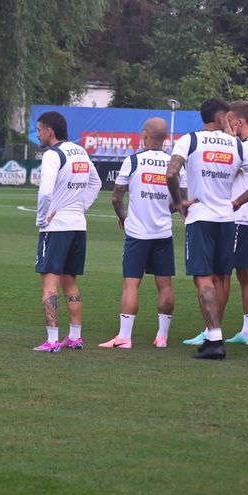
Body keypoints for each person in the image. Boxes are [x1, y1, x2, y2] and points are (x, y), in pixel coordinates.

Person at [166, 98, 248, 360]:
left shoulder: (189, 140)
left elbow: (170, 173)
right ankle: (215, 334)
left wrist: (179, 202)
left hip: (200, 217)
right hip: (227, 218)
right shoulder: (236, 143)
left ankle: (214, 339)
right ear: (222, 117)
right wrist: (237, 202)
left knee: (203, 277)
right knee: (223, 277)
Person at [30, 111, 101, 352]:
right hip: (78, 226)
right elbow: (96, 183)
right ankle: (75, 337)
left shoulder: (53, 154)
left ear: (49, 131)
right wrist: (82, 206)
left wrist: (41, 218)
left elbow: (46, 192)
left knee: (50, 285)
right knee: (70, 282)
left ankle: (51, 341)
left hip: (57, 227)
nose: (37, 134)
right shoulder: (79, 151)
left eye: (39, 129)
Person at [105, 117, 178, 349]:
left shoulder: (133, 161)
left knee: (131, 285)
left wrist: (122, 217)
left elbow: (116, 196)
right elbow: (181, 200)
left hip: (137, 233)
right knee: (164, 284)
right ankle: (162, 337)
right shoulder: (173, 164)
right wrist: (166, 210)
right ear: (165, 138)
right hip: (163, 232)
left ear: (145, 136)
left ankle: (125, 337)